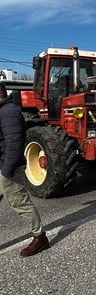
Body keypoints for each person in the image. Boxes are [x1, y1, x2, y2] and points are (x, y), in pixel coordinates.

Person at [0, 83, 49, 256]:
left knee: (20, 203)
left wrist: (6, 172)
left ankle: (40, 236)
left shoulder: (8, 112)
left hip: (8, 168)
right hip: (2, 165)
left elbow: (14, 145)